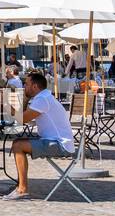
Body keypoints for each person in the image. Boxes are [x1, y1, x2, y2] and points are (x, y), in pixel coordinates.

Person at [5, 70, 76, 199]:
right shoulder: (44, 97)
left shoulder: (42, 99)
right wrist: (26, 98)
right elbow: (25, 115)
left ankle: (22, 189)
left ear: (35, 86)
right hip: (56, 140)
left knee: (18, 146)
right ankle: (20, 184)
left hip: (60, 144)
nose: (24, 87)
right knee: (18, 142)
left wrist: (6, 107)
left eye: (26, 84)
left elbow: (23, 119)